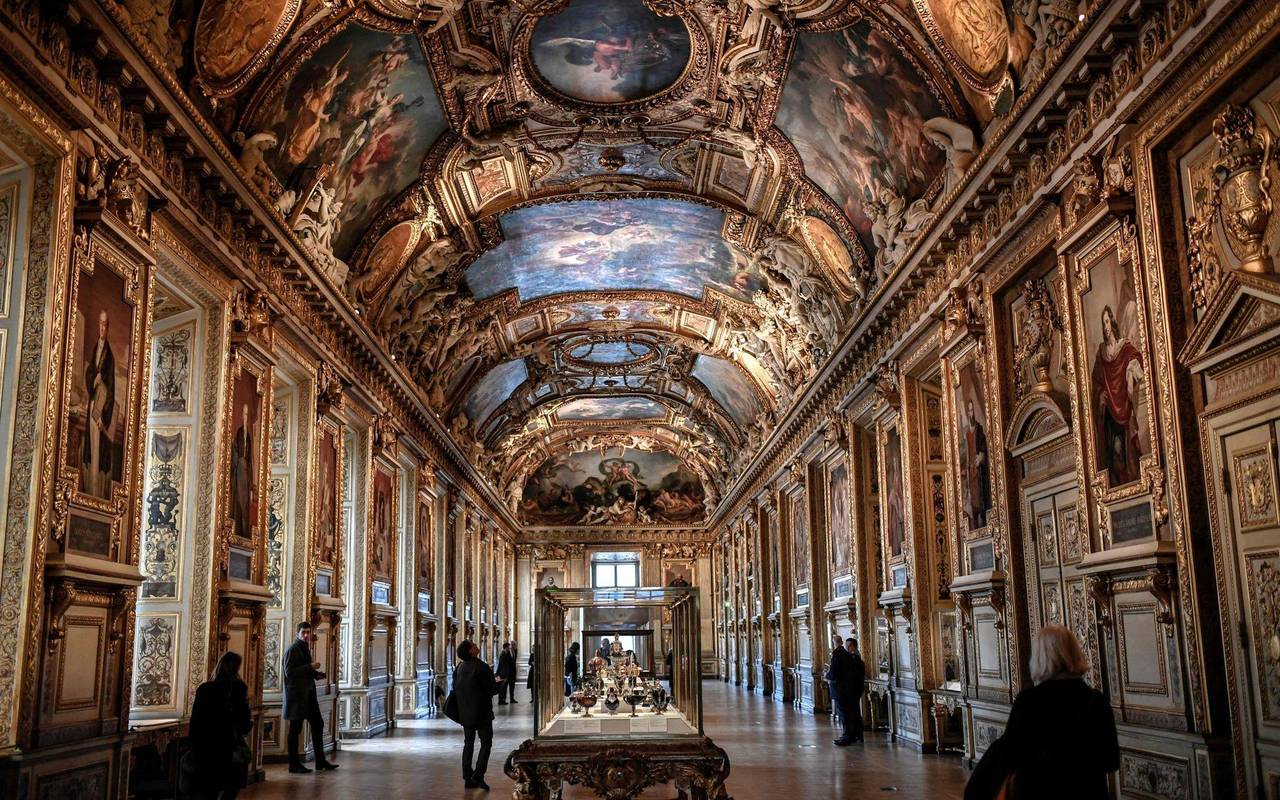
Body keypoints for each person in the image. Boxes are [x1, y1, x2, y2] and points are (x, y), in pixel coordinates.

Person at [965, 626, 1118, 800]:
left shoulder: (1028, 702)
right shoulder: (1096, 701)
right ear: (1075, 653)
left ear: (1039, 657)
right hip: (1089, 792)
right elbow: (1111, 761)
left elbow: (1009, 755)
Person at [188, 652, 251, 799]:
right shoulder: (239, 688)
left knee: (209, 788)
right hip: (229, 744)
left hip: (206, 745)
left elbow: (196, 720)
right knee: (231, 786)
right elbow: (243, 718)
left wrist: (193, 745)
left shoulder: (204, 689)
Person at [283, 621, 338, 773]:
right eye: (303, 633)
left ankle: (320, 761)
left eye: (308, 632)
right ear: (297, 634)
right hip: (297, 697)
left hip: (308, 695)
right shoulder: (292, 649)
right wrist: (310, 667)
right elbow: (289, 672)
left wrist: (316, 675)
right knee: (295, 730)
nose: (306, 635)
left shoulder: (305, 648)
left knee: (318, 724)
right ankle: (293, 764)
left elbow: (304, 670)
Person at [454, 639, 503, 790]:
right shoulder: (481, 666)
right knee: (486, 743)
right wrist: (500, 683)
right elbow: (492, 689)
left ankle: (467, 777)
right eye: (474, 645)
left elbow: (456, 688)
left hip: (465, 713)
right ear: (470, 651)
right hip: (482, 713)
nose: (476, 646)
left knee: (468, 743)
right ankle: (478, 775)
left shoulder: (459, 667)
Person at [826, 635, 865, 745]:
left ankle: (849, 736)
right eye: (847, 646)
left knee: (847, 714)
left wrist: (827, 675)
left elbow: (836, 673)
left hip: (846, 690)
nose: (848, 648)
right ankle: (855, 735)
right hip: (850, 690)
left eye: (850, 646)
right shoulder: (849, 657)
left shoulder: (850, 657)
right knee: (853, 713)